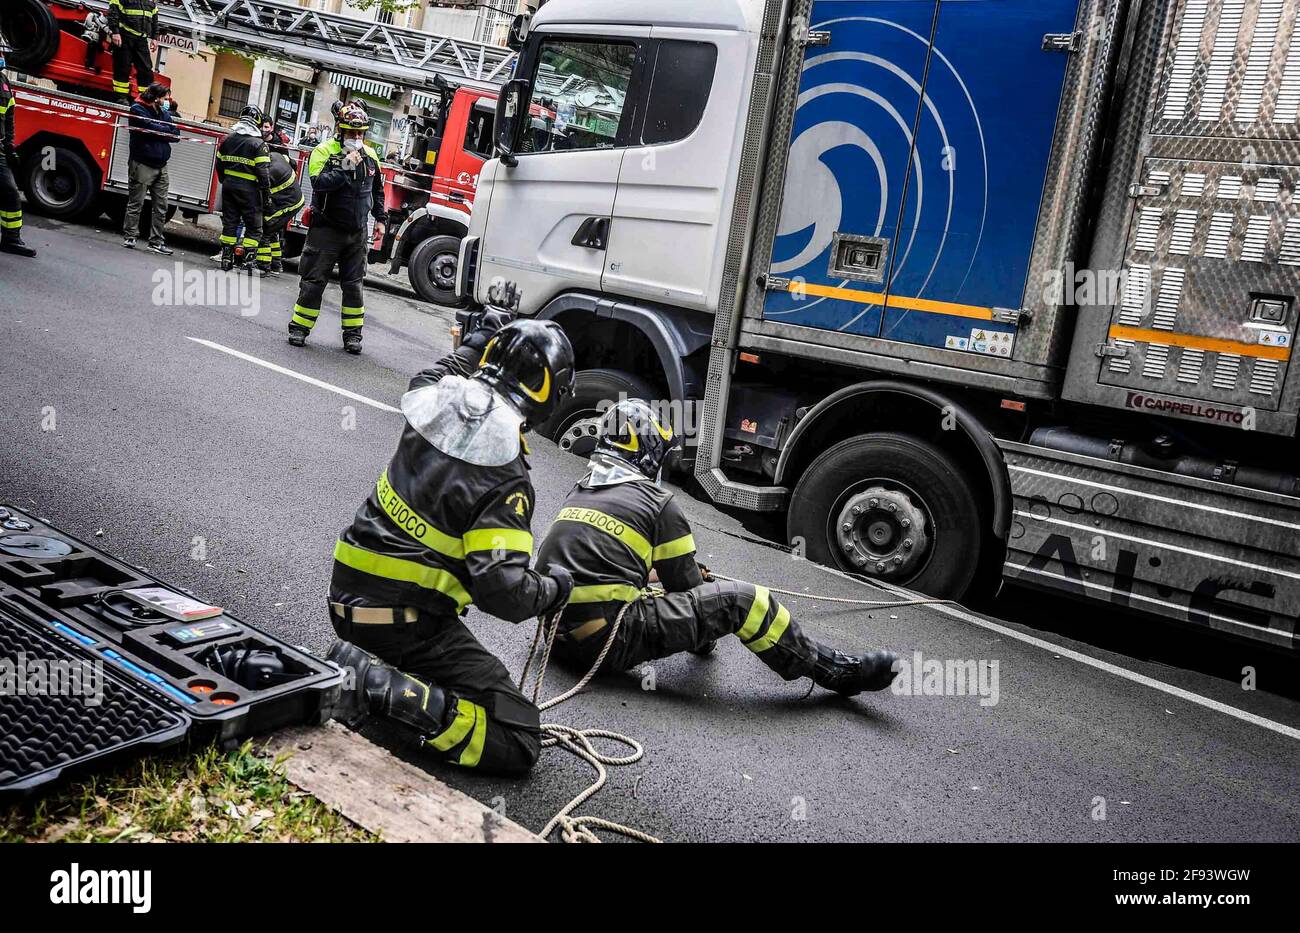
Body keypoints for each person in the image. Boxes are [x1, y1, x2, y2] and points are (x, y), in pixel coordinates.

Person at [326, 305, 578, 777]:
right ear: (551, 397)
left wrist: (477, 339)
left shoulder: (432, 408)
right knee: (519, 738)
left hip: (345, 597)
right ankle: (374, 683)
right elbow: (501, 592)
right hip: (403, 622)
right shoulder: (507, 476)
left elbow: (433, 374)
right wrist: (554, 589)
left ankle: (378, 673)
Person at [535, 398, 902, 696]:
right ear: (648, 452)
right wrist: (704, 614)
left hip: (558, 642)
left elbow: (607, 569)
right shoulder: (656, 503)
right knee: (745, 602)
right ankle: (833, 670)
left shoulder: (580, 493)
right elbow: (687, 588)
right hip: (604, 645)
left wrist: (662, 582)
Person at [287, 102, 384, 354]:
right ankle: (299, 328)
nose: (357, 138)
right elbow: (319, 184)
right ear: (340, 131)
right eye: (352, 133)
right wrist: (345, 165)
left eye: (361, 133)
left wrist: (381, 220)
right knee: (313, 281)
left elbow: (377, 191)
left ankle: (353, 336)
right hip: (326, 230)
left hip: (356, 232)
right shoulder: (323, 151)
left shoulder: (371, 156)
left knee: (353, 285)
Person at [122, 82, 178, 254]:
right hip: (142, 163)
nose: (168, 100)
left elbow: (175, 134)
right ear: (156, 98)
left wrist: (158, 130)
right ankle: (130, 236)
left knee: (161, 206)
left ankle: (156, 241)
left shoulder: (163, 112)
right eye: (165, 97)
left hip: (161, 165)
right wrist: (162, 131)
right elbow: (149, 129)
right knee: (136, 203)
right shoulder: (137, 109)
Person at [215, 105, 271, 271]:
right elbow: (263, 172)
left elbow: (219, 164)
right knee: (254, 227)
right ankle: (247, 261)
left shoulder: (227, 140)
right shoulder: (259, 144)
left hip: (229, 188)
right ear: (257, 122)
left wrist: (226, 181)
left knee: (230, 223)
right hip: (250, 191)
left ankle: (226, 259)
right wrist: (266, 194)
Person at [0, 33, 35, 259]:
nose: (2, 57)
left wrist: (9, 145)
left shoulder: (4, 82)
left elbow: (9, 115)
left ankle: (11, 239)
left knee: (10, 191)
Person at [256, 125, 303, 277]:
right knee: (274, 232)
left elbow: (261, 190)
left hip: (289, 204)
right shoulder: (278, 156)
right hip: (291, 201)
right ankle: (276, 264)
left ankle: (263, 266)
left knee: (265, 229)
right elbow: (291, 161)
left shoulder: (270, 171)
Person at [107, 0, 158, 105]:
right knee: (123, 67)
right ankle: (121, 98)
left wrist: (154, 38)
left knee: (146, 70)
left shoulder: (150, 2)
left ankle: (146, 99)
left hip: (141, 40)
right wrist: (115, 32)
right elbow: (113, 13)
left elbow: (154, 20)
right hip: (125, 36)